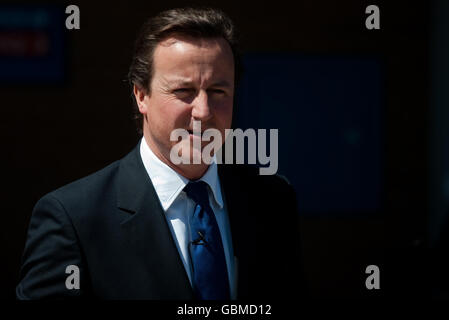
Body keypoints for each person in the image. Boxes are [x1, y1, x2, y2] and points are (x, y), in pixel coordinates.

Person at [16, 7, 305, 300]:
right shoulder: (75, 218)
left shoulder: (272, 198)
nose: (203, 112)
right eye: (184, 91)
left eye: (218, 91)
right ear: (141, 95)